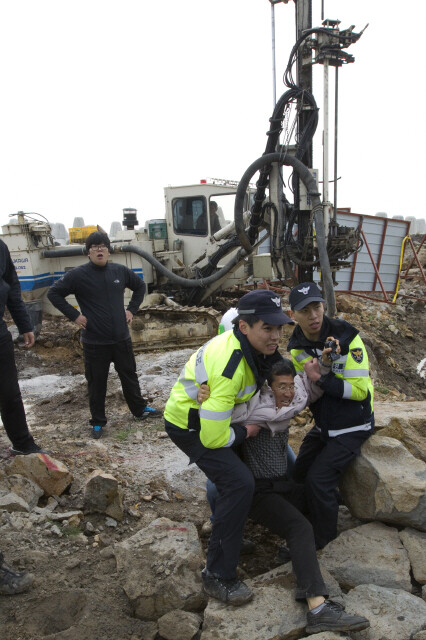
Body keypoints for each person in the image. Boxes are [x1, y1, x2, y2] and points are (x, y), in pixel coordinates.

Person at [198, 359, 370, 634]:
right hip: (258, 491)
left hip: (280, 483)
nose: (288, 392)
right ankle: (318, 608)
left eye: (290, 386)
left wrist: (324, 365)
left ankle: (298, 554)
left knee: (318, 495)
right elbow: (219, 412)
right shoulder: (251, 409)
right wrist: (202, 396)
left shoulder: (294, 398)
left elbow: (310, 388)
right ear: (268, 386)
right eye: (281, 387)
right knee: (298, 527)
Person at [164, 289, 293, 605]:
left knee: (236, 480)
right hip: (191, 426)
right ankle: (217, 575)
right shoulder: (230, 365)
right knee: (238, 482)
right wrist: (247, 431)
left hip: (217, 421)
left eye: (279, 328)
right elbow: (212, 439)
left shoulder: (256, 348)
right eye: (268, 328)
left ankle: (229, 533)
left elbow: (286, 375)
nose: (276, 336)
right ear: (244, 326)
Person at [47, 231, 161, 439]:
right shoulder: (78, 275)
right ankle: (98, 421)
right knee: (96, 382)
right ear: (88, 252)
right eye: (94, 246)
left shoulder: (119, 271)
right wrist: (75, 315)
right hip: (95, 341)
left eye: (103, 246)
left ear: (109, 250)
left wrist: (131, 309)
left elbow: (140, 286)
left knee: (129, 376)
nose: (99, 249)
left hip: (120, 338)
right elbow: (53, 293)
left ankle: (139, 410)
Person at [287, 281, 374, 550]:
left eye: (317, 307)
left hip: (353, 426)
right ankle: (304, 526)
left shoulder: (348, 339)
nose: (313, 316)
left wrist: (322, 380)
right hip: (325, 426)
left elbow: (360, 392)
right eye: (305, 311)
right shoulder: (296, 346)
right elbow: (307, 386)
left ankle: (323, 541)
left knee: (319, 480)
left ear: (324, 306)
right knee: (299, 474)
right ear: (293, 315)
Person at [0, 238, 44, 455]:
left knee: (10, 394)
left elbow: (12, 287)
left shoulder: (0, 247)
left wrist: (24, 323)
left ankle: (23, 444)